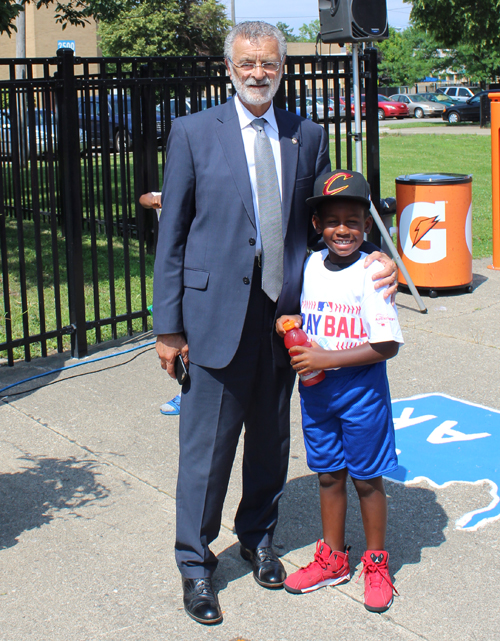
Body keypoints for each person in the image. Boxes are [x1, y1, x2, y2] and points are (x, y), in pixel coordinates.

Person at [153, 21, 397, 625]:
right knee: (206, 450)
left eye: (267, 63)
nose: (257, 73)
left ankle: (258, 535)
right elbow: (173, 236)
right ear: (229, 67)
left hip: (285, 318)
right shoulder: (191, 133)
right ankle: (194, 562)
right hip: (212, 317)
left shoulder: (305, 136)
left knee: (270, 440)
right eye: (247, 63)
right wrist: (168, 328)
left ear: (282, 68)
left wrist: (376, 257)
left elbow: (329, 220)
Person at [276, 169, 403, 613]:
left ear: (368, 225)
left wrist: (326, 360)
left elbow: (386, 345)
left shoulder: (372, 271)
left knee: (367, 479)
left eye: (353, 220)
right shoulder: (312, 265)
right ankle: (333, 558)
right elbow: (301, 311)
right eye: (332, 221)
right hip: (317, 394)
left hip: (360, 392)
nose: (343, 229)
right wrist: (286, 323)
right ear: (317, 226)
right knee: (328, 474)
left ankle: (376, 562)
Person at [140, 191, 181, 416]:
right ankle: (187, 393)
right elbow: (145, 198)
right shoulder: (173, 194)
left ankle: (189, 394)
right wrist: (162, 199)